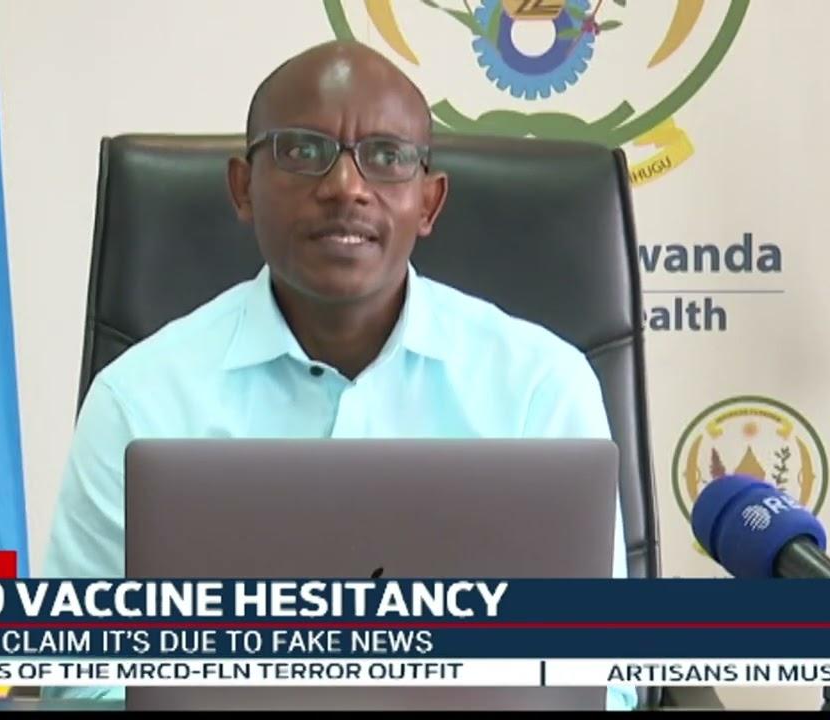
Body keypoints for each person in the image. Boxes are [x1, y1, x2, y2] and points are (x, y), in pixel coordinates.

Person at [41, 40, 635, 710]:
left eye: (386, 156)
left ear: (429, 203)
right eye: (302, 150)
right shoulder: (138, 399)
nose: (346, 187)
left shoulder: (539, 386)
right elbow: (79, 678)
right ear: (242, 188)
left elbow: (605, 680)